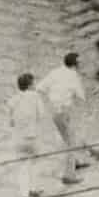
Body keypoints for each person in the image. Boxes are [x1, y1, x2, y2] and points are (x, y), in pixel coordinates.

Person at [35, 53, 87, 185]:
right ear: (75, 65)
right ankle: (69, 175)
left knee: (68, 136)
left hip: (56, 111)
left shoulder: (55, 72)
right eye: (79, 63)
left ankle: (75, 162)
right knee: (71, 142)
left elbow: (40, 88)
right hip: (63, 111)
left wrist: (51, 103)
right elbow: (81, 97)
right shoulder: (74, 77)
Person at [7, 73, 46, 197]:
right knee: (35, 163)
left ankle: (24, 195)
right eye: (33, 83)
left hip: (18, 138)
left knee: (23, 166)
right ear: (30, 85)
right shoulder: (35, 97)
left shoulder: (13, 100)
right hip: (32, 136)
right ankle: (34, 189)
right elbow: (41, 114)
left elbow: (11, 121)